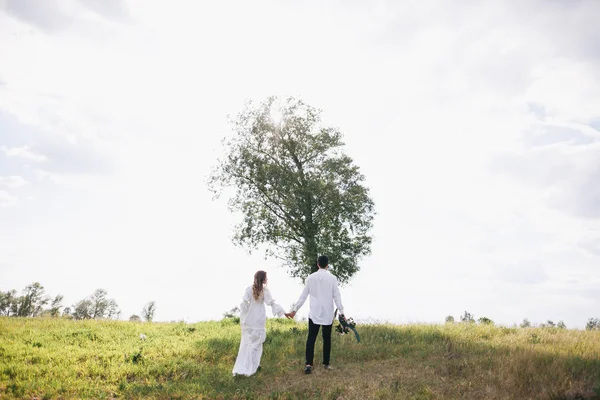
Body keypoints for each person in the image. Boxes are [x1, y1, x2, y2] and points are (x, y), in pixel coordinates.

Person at [285, 255, 344, 374]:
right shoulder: (332, 278)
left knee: (311, 338)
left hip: (314, 313)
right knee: (327, 338)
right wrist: (342, 312)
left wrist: (294, 310)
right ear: (327, 265)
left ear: (318, 264)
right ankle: (326, 363)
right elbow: (337, 296)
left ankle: (308, 364)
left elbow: (303, 296)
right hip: (327, 314)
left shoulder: (311, 278)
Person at [232, 270, 285, 376]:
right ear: (263, 279)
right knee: (257, 344)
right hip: (259, 319)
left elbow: (243, 304)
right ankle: (253, 364)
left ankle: (251, 364)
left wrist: (244, 317)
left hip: (250, 319)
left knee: (248, 343)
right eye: (266, 277)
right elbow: (271, 303)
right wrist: (282, 312)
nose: (267, 279)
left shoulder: (248, 289)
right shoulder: (265, 290)